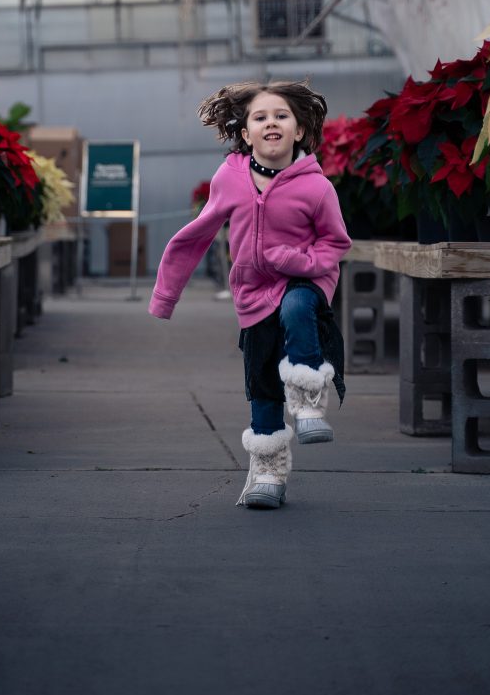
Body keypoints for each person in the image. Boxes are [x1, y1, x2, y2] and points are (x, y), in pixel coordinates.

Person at [148, 80, 352, 509]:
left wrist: (297, 262)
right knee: (260, 381)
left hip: (305, 281)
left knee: (298, 306)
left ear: (298, 131)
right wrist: (166, 295)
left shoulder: (317, 187)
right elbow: (195, 235)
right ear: (246, 133)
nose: (271, 123)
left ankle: (309, 399)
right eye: (260, 117)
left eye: (281, 116)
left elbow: (336, 245)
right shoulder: (230, 178)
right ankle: (268, 472)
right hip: (253, 294)